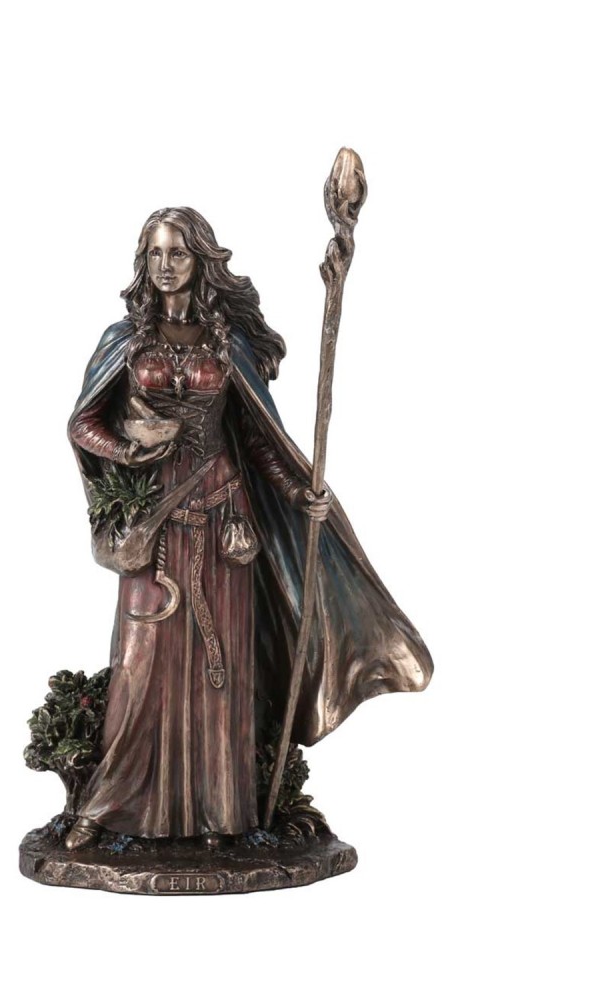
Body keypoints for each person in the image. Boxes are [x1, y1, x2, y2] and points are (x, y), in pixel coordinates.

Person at [64, 207, 432, 850]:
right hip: (156, 524)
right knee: (139, 667)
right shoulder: (123, 340)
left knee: (222, 669)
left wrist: (297, 490)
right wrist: (130, 449)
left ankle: (221, 815)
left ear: (200, 260)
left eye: (178, 253)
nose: (166, 266)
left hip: (224, 522)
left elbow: (260, 440)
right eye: (155, 254)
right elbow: (82, 424)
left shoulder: (225, 342)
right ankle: (111, 805)